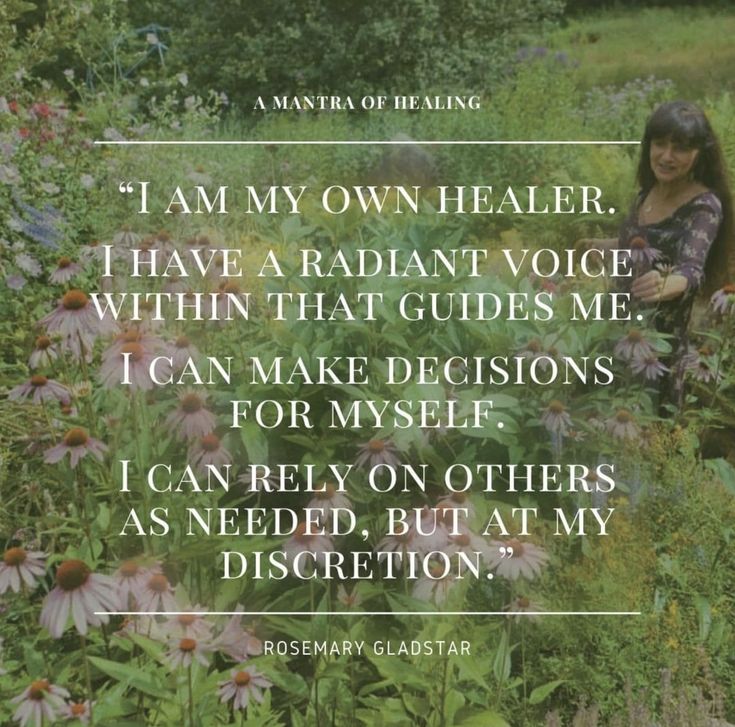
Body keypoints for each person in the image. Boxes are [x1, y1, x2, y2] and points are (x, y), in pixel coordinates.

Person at [579, 100, 733, 410]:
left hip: (654, 348)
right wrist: (600, 245)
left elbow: (692, 269)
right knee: (596, 421)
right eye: (659, 144)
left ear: (698, 153)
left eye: (679, 148)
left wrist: (667, 282)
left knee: (639, 432)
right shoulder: (645, 194)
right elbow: (641, 242)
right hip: (614, 329)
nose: (666, 156)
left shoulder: (704, 207)